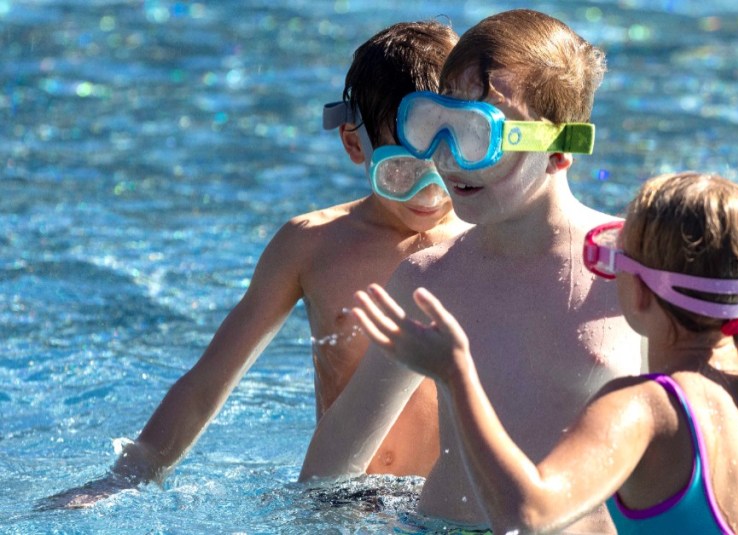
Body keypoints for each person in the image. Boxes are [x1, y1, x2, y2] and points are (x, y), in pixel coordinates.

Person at [352, 162, 738, 534]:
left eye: (608, 260)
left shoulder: (642, 411)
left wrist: (458, 375)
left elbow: (525, 513)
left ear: (635, 286)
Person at [42, 20, 470, 509]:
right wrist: (127, 475)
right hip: (342, 500)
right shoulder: (313, 246)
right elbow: (209, 380)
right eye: (403, 173)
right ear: (356, 145)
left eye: (448, 168)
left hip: (447, 503)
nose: (432, 193)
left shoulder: (486, 243)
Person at [299, 9, 642, 534]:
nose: (447, 157)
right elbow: (332, 468)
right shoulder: (428, 280)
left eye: (475, 135)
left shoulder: (635, 269)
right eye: (435, 126)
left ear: (559, 150)